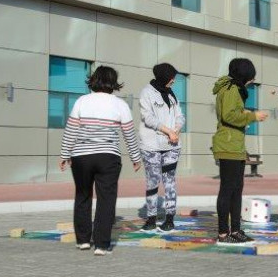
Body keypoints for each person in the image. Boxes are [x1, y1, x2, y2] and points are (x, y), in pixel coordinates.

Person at [59, 66, 142, 256]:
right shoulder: (120, 104)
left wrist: (65, 154)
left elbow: (71, 130)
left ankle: (82, 241)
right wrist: (136, 158)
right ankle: (102, 245)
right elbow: (129, 133)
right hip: (108, 157)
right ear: (113, 82)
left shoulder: (82, 101)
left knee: (82, 195)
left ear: (94, 80)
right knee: (106, 199)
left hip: (81, 156)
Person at [212, 58, 268, 245]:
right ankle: (222, 233)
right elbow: (228, 116)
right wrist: (252, 116)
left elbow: (234, 112)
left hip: (235, 146)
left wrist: (246, 115)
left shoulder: (235, 89)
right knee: (227, 190)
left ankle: (235, 230)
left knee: (237, 190)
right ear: (243, 75)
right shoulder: (230, 89)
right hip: (227, 146)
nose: (251, 82)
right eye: (250, 78)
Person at [138, 63, 185, 232]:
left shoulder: (172, 94)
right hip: (151, 146)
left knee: (169, 181)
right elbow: (148, 118)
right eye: (171, 77)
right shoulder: (147, 93)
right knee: (152, 181)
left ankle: (169, 218)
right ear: (163, 76)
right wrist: (168, 131)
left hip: (172, 145)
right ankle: (151, 219)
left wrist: (176, 130)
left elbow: (180, 115)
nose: (173, 80)